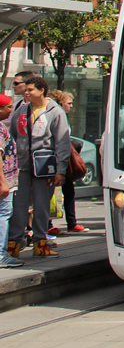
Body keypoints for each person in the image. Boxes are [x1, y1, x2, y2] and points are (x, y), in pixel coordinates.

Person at [7, 77, 71, 258]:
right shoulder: (21, 110)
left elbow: (62, 143)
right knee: (18, 205)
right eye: (25, 90)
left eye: (30, 90)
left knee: (42, 206)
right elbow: (12, 137)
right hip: (21, 166)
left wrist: (61, 170)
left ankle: (40, 243)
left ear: (41, 90)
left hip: (45, 166)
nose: (26, 93)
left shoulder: (55, 112)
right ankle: (14, 244)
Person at [48, 90, 88, 234]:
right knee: (50, 192)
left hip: (63, 159)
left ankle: (71, 222)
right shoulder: (55, 115)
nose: (71, 106)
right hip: (55, 159)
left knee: (68, 191)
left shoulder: (62, 116)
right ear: (60, 103)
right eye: (68, 103)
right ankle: (48, 224)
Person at [0, 95, 24, 268]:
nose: (11, 110)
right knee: (3, 214)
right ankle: (1, 254)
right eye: (8, 107)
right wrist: (3, 182)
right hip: (4, 180)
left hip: (6, 179)